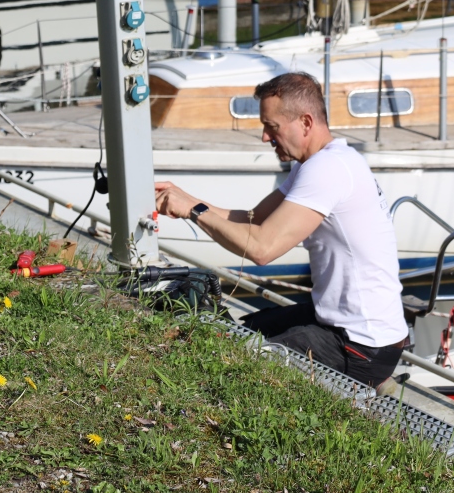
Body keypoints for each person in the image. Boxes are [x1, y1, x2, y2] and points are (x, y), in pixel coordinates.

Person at [153, 72, 409, 388]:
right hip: (344, 325)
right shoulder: (319, 162)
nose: (265, 137)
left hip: (363, 346)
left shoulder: (328, 169)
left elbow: (262, 249)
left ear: (305, 122)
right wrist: (187, 199)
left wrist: (195, 211)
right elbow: (254, 218)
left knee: (237, 361)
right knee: (244, 328)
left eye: (271, 127)